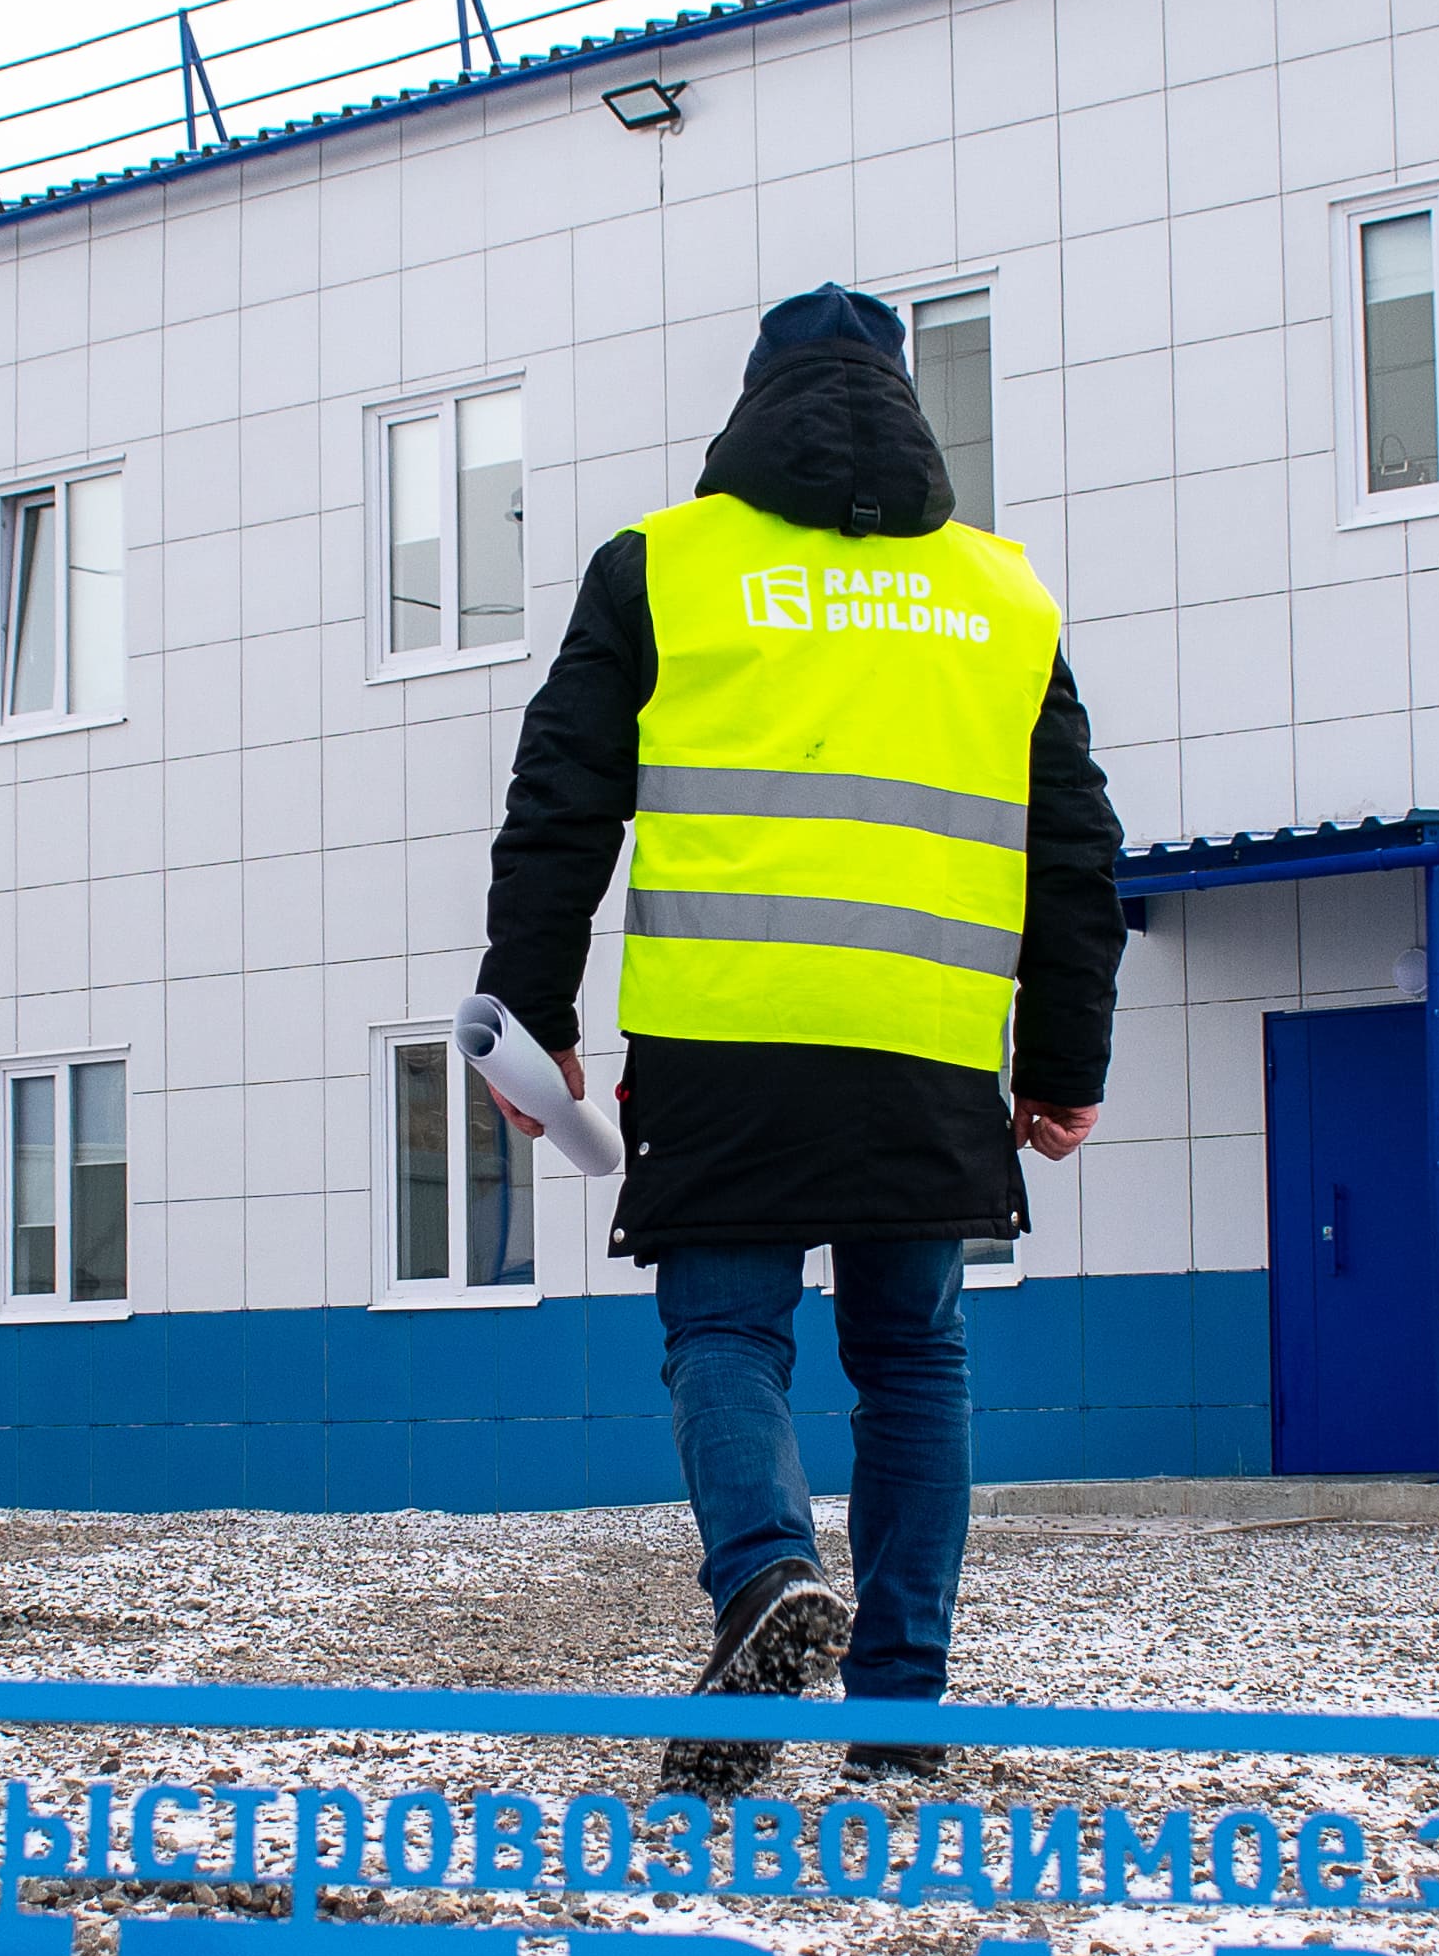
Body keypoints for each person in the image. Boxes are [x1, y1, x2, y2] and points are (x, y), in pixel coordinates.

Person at [475, 283, 1125, 1790]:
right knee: (913, 1363)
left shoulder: (665, 564)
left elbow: (559, 804)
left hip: (728, 1034)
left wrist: (536, 1018)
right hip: (926, 1042)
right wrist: (1063, 1061)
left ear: (752, 405)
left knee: (726, 1337)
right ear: (908, 411)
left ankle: (768, 1573)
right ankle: (899, 1707)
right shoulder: (1001, 596)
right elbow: (1074, 844)